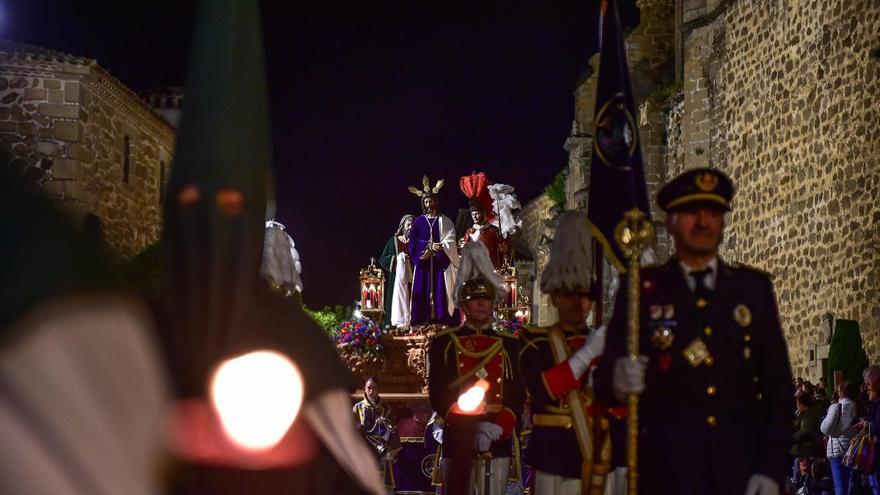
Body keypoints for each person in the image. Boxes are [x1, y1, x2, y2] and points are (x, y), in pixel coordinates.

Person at [594, 167, 795, 495]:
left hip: (740, 474)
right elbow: (602, 382)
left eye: (713, 213)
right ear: (671, 223)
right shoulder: (641, 290)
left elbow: (779, 389)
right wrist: (617, 380)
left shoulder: (752, 290)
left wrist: (770, 469)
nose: (703, 222)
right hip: (665, 475)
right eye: (691, 212)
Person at [518, 211, 617, 494]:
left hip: (599, 452)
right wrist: (588, 354)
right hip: (554, 454)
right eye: (569, 294)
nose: (578, 302)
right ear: (554, 297)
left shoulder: (602, 341)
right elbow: (543, 391)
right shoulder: (534, 341)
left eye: (584, 294)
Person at [427, 242, 524, 495]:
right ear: (463, 303)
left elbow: (516, 392)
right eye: (474, 299)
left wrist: (500, 426)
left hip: (497, 435)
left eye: (486, 298)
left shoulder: (510, 345)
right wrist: (468, 426)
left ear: (494, 303)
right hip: (459, 436)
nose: (481, 303)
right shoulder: (444, 344)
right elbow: (438, 393)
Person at [407, 177, 460, 326]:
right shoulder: (418, 222)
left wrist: (441, 246)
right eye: (426, 202)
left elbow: (451, 239)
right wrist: (428, 246)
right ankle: (420, 322)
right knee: (421, 290)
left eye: (430, 201)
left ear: (435, 202)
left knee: (441, 290)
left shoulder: (446, 221)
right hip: (423, 264)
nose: (428, 204)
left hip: (440, 263)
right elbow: (412, 243)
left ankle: (443, 320)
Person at [353, 377, 400, 491]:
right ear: (364, 389)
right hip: (365, 449)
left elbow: (393, 429)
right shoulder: (358, 408)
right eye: (369, 388)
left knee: (383, 483)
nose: (371, 391)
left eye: (374, 388)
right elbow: (352, 428)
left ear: (378, 389)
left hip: (383, 449)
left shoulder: (386, 408)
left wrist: (384, 424)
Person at [820, 382, 859, 495]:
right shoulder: (858, 404)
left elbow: (826, 428)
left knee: (840, 485)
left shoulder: (839, 406)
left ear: (841, 392)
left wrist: (832, 407)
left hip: (838, 449)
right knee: (852, 484)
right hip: (853, 448)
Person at [379, 214, 415, 329]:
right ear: (403, 226)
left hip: (412, 278)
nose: (410, 227)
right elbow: (383, 259)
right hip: (397, 279)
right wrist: (398, 260)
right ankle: (394, 326)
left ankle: (412, 325)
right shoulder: (394, 241)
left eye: (413, 225)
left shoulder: (415, 242)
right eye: (408, 225)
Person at [460, 202, 507, 270]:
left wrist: (504, 249)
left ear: (484, 213)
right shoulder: (469, 232)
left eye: (477, 214)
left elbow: (504, 251)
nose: (474, 217)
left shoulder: (494, 231)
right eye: (472, 214)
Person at [791, 391, 825, 478]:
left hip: (806, 450)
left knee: (802, 474)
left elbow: (804, 431)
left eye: (798, 402)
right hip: (804, 449)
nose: (797, 405)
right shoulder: (805, 413)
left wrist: (790, 439)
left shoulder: (809, 415)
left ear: (803, 404)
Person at [861, 365, 880, 495]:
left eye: (868, 384)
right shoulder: (875, 402)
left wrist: (867, 424)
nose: (867, 388)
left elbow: (878, 426)